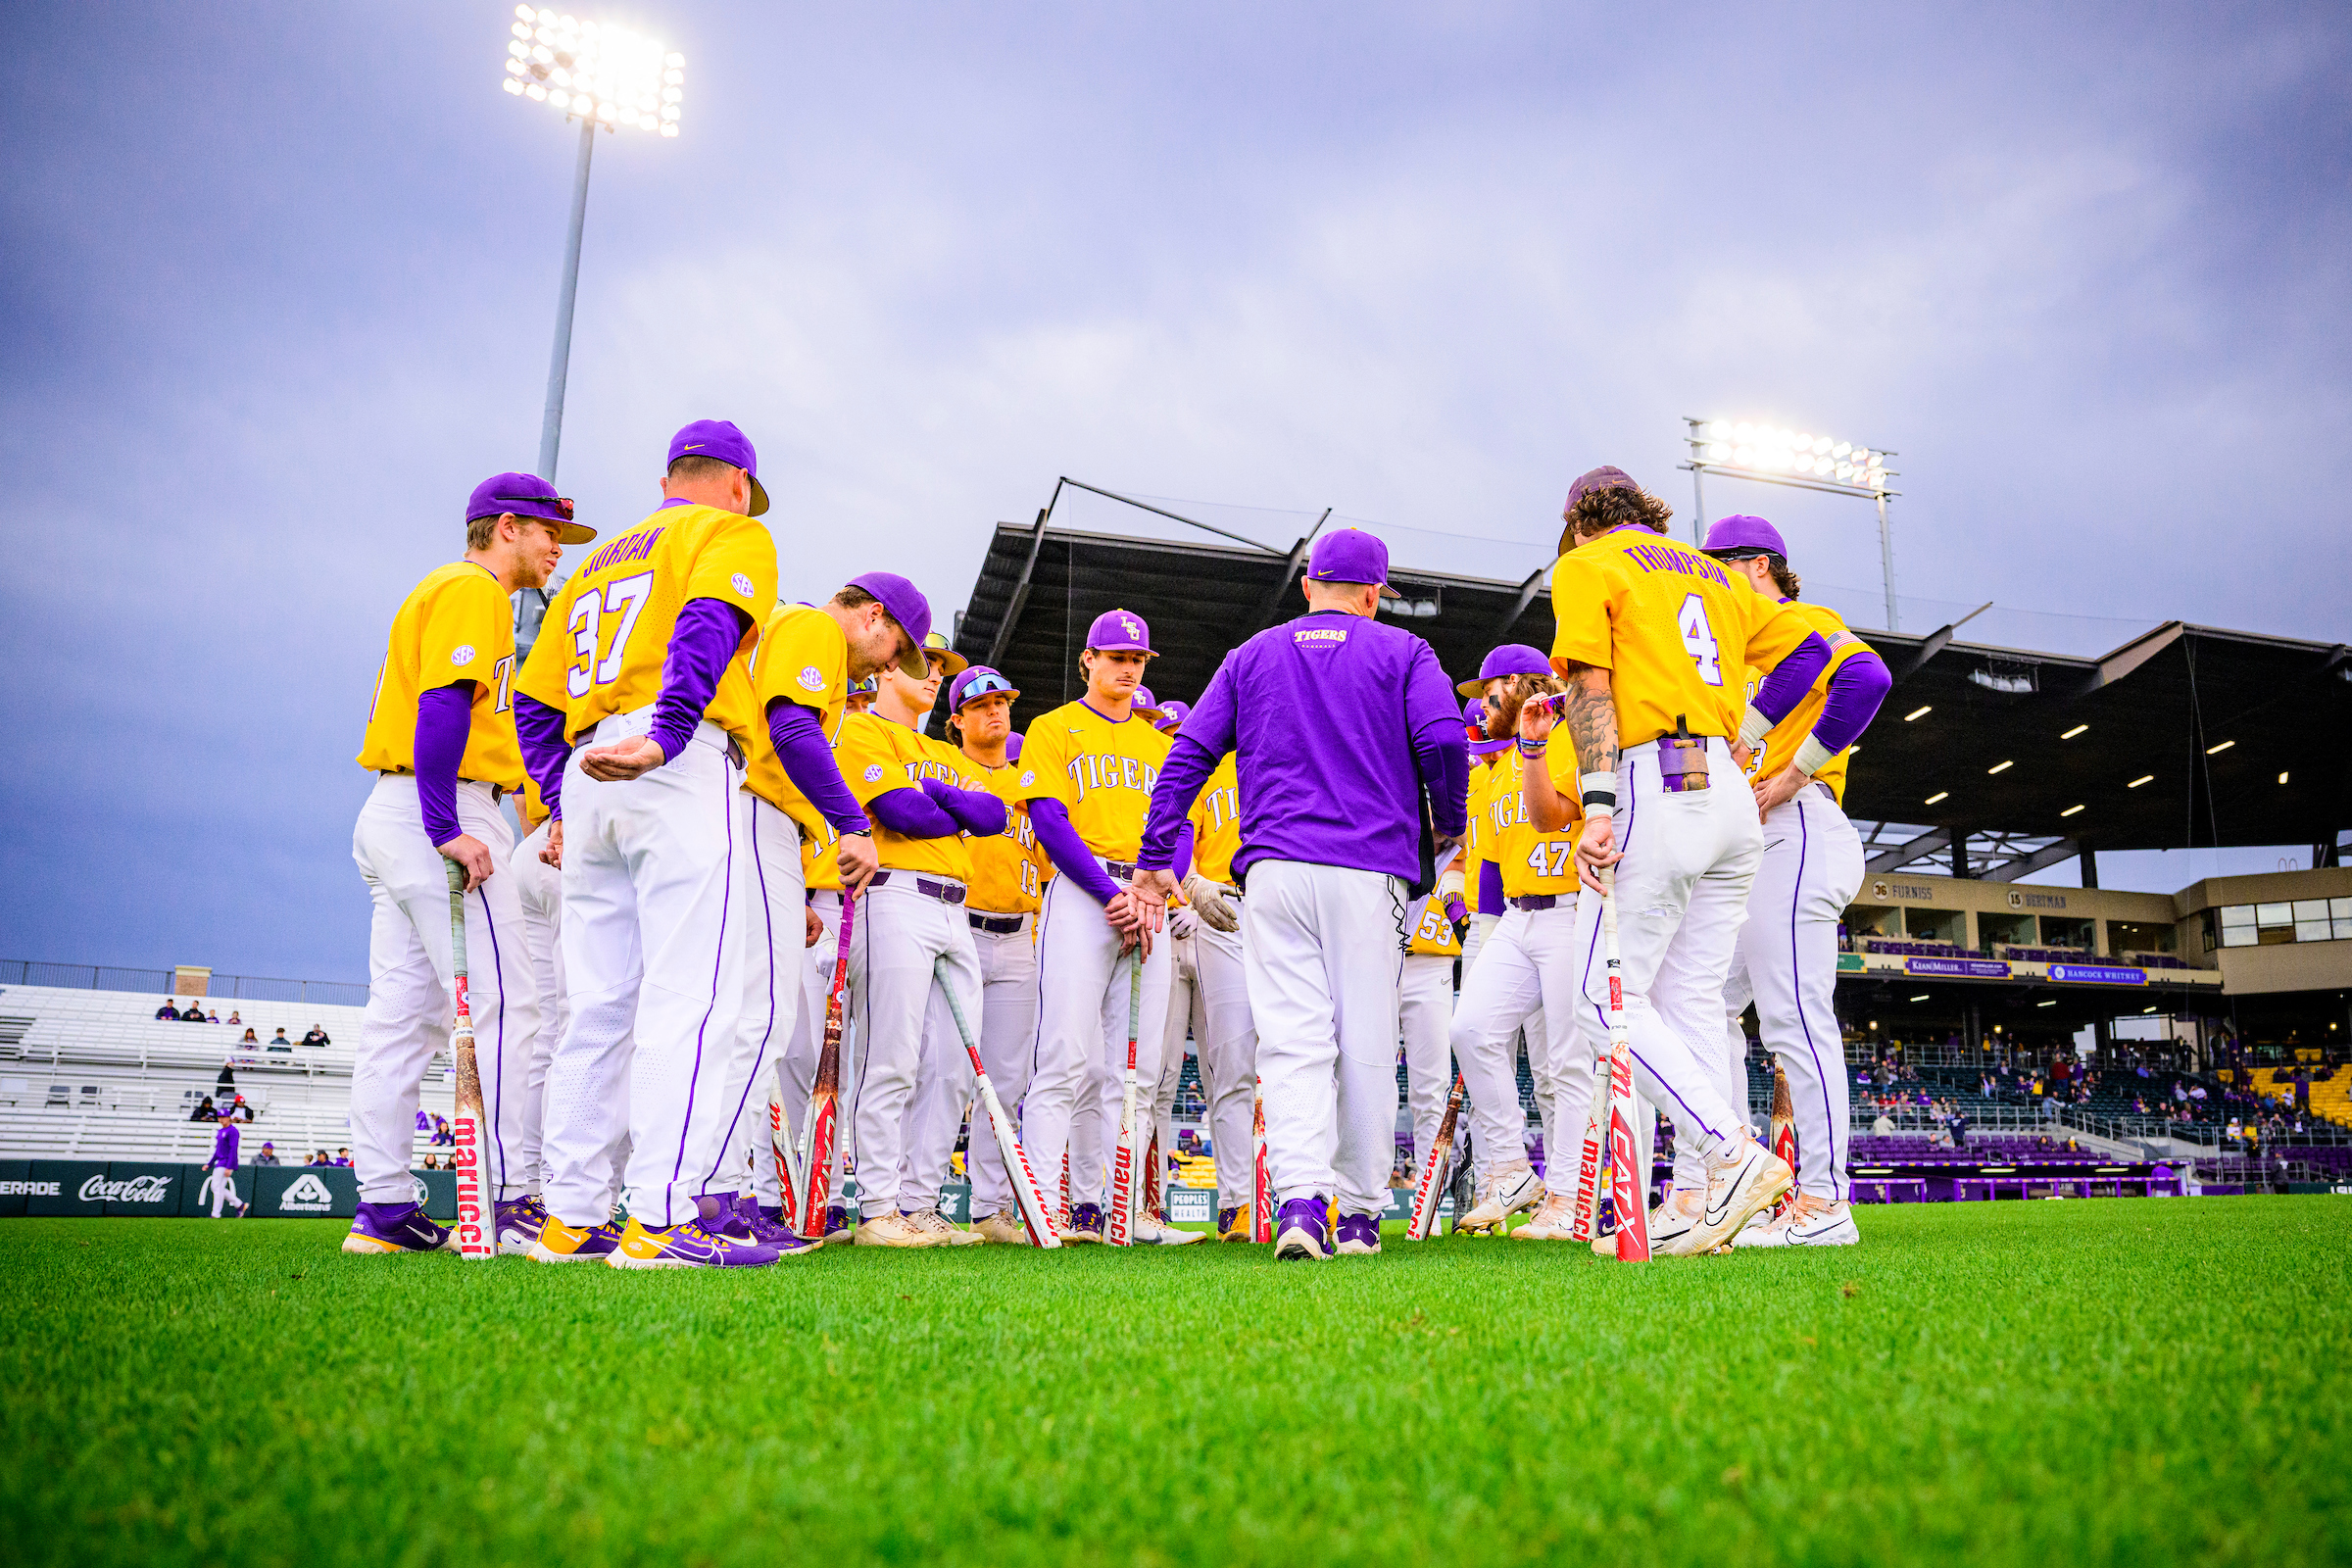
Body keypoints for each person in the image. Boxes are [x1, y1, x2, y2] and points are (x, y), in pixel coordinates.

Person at [1136, 528, 1469, 1260]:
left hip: (1275, 871)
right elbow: (1445, 740)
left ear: (1308, 585)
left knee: (1291, 1043)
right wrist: (1449, 825)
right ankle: (1355, 1213)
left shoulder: (1252, 652)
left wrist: (1157, 850)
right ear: (1376, 595)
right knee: (1366, 1041)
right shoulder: (1404, 651)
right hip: (1370, 868)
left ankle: (1296, 1205)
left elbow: (1189, 750)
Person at [513, 419, 794, 1268]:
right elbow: (709, 620)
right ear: (737, 483)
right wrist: (669, 732)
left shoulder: (599, 561)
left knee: (598, 1006)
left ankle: (568, 1217)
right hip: (675, 758)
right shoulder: (728, 530)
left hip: (591, 761)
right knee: (690, 997)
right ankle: (661, 1220)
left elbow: (531, 695)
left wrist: (559, 798)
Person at [1544, 466, 1830, 1256]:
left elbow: (1590, 691)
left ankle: (1726, 1155)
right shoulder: (1713, 572)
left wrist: (1596, 806)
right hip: (1730, 795)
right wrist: (1751, 724)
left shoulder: (1586, 564)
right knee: (1692, 999)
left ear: (1578, 521)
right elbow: (1821, 655)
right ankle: (1708, 1202)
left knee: (1601, 1002)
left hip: (1653, 780)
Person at [345, 470, 571, 1257]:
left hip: (400, 808)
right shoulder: (474, 590)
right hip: (433, 808)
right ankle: (509, 1203)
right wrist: (446, 824)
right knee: (514, 1005)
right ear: (506, 527)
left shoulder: (445, 590)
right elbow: (443, 705)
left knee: (402, 1022)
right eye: (549, 533)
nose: (557, 551)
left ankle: (382, 1211)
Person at [1693, 518, 1892, 1250]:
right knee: (1708, 1005)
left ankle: (1824, 1201)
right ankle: (1742, 1181)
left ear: (1755, 566)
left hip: (1799, 827)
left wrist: (1800, 766)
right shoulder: (1733, 648)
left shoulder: (1796, 622)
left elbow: (1867, 677)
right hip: (1750, 845)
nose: (1708, 579)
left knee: (1793, 1018)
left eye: (1717, 566)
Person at [726, 574, 923, 1240]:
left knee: (757, 1020)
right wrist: (853, 824)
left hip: (762, 824)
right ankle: (724, 1199)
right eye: (896, 647)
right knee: (758, 1022)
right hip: (751, 809)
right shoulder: (812, 625)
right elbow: (790, 729)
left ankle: (728, 1195)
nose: (891, 664)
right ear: (873, 617)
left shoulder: (800, 634)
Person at [1014, 609, 1182, 1245]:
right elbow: (1050, 820)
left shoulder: (1158, 744)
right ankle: (1040, 1207)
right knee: (1064, 1055)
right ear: (1088, 660)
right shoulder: (1054, 728)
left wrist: (1158, 883)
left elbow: (1182, 828)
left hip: (1145, 898)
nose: (1128, 668)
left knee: (1131, 1070)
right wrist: (1112, 892)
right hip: (1087, 895)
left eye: (1137, 659)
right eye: (1116, 657)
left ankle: (1102, 1208)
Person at [1447, 644, 1599, 1242]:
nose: (1481, 707)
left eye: (1487, 692)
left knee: (1565, 1064)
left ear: (1515, 683)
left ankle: (1568, 1196)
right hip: (1515, 916)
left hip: (1570, 911)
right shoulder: (1498, 763)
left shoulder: (1570, 736)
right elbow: (1484, 859)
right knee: (1472, 1028)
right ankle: (1511, 1167)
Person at [940, 665, 1064, 1245]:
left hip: (1019, 935)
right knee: (937, 1070)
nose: (996, 711)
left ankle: (991, 1208)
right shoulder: (944, 770)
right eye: (982, 703)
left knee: (1008, 1081)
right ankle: (916, 1202)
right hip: (957, 925)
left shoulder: (1026, 783)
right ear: (957, 720)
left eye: (1003, 702)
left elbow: (1046, 863)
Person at [1145, 698, 1255, 1242]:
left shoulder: (1281, 755)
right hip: (1215, 912)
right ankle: (1238, 1202)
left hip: (1279, 908)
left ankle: (1306, 1191)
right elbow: (1177, 840)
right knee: (1224, 1066)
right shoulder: (1204, 771)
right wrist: (1188, 889)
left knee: (1297, 1056)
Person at [201, 1113, 249, 1218]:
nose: (221, 1120)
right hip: (220, 1162)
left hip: (226, 1162)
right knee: (218, 1188)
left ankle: (216, 1213)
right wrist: (209, 1164)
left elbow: (233, 1149)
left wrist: (229, 1166)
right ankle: (239, 1205)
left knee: (216, 1187)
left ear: (228, 1118)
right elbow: (218, 1150)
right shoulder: (221, 1131)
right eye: (220, 1118)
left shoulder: (232, 1131)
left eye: (224, 1117)